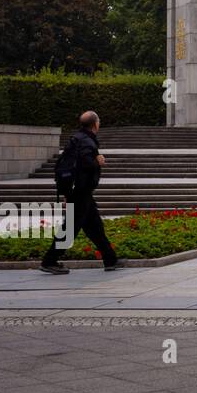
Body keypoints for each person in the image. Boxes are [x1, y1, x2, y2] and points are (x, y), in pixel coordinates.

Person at [40, 111, 121, 274]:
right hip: (81, 192)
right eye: (99, 121)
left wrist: (66, 191)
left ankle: (110, 259)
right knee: (70, 227)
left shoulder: (78, 139)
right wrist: (98, 162)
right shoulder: (86, 142)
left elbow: (70, 167)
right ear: (95, 124)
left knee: (95, 227)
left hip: (80, 192)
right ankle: (50, 260)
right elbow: (84, 166)